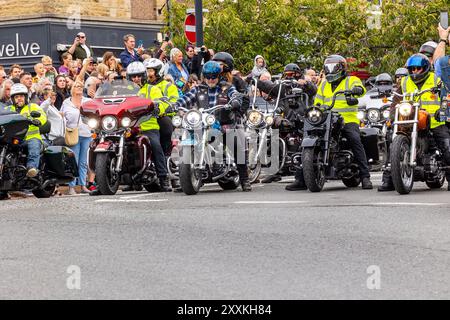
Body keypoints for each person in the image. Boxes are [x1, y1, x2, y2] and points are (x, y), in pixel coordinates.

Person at [285, 55, 373, 191]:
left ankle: (365, 176)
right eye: (328, 68)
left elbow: (361, 90)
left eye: (334, 67)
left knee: (354, 139)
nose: (330, 70)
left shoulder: (352, 80)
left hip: (347, 118)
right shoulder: (324, 83)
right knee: (305, 137)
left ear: (342, 68)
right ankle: (301, 179)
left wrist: (357, 90)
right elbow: (318, 102)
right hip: (326, 118)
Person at [173, 61, 252, 192]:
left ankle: (244, 179)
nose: (210, 80)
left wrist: (235, 101)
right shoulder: (198, 89)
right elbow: (186, 98)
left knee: (235, 144)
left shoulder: (227, 87)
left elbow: (235, 95)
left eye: (213, 77)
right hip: (202, 123)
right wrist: (176, 104)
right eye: (208, 77)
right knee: (186, 134)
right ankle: (187, 177)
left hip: (223, 122)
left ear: (218, 75)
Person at [378, 53, 450, 192]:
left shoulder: (436, 79)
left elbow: (446, 97)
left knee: (446, 146)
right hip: (409, 121)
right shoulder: (404, 82)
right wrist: (392, 116)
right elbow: (396, 100)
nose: (414, 71)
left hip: (434, 121)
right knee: (392, 140)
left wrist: (442, 110)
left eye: (417, 68)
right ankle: (389, 179)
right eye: (411, 69)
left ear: (425, 68)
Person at [252, 63, 317, 184]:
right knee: (274, 136)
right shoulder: (283, 88)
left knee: (302, 145)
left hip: (304, 120)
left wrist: (305, 83)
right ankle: (274, 172)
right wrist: (255, 81)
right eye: (286, 75)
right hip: (288, 119)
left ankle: (304, 174)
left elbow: (313, 89)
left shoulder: (304, 85)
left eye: (291, 75)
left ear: (298, 74)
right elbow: (269, 87)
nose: (288, 77)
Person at [137, 65, 173, 192]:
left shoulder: (152, 89)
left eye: (138, 76)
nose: (136, 79)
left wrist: (157, 107)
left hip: (148, 126)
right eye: (133, 76)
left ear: (143, 77)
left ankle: (163, 178)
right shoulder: (125, 91)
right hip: (128, 127)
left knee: (156, 146)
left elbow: (161, 103)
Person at [7, 83, 48, 178]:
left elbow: (42, 115)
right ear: (13, 99)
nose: (19, 98)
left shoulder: (32, 107)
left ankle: (31, 168)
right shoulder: (8, 109)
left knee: (33, 145)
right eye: (16, 97)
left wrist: (38, 120)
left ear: (26, 97)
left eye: (21, 96)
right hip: (12, 139)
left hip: (30, 138)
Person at [61, 81, 92, 195]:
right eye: (76, 86)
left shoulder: (88, 101)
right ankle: (71, 187)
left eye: (80, 86)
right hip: (73, 133)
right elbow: (62, 116)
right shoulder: (66, 102)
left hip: (87, 133)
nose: (78, 88)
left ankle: (83, 185)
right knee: (73, 161)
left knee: (84, 161)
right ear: (72, 89)